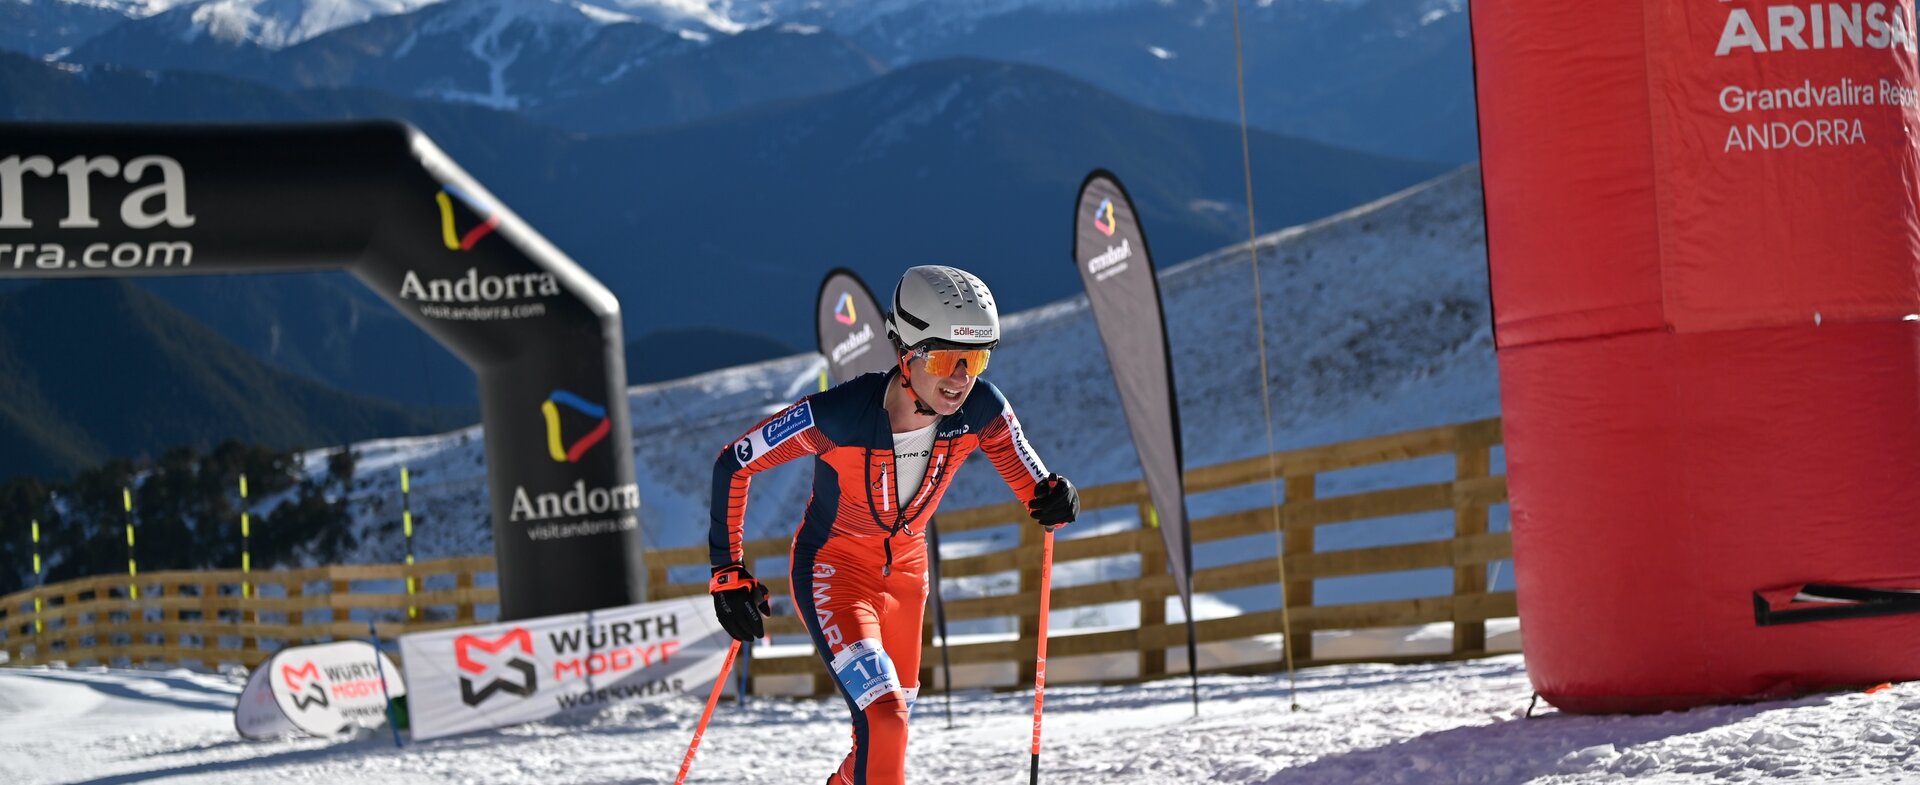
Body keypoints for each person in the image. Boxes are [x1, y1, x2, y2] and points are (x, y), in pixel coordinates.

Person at [708, 265, 1080, 785]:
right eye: (948, 358)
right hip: (835, 573)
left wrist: (1054, 496)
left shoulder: (981, 409)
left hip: (907, 578)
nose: (961, 378)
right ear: (907, 355)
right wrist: (728, 574)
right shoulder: (839, 416)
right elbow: (735, 462)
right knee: (886, 720)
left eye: (976, 358)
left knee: (884, 737)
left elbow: (1035, 483)